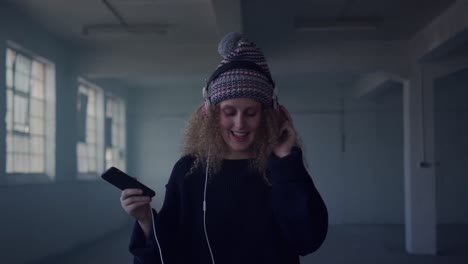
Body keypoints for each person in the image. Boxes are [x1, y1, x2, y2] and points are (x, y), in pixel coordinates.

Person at [120, 32, 328, 264]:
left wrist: (286, 164)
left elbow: (307, 241)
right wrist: (146, 220)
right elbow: (168, 252)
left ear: (268, 115)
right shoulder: (189, 170)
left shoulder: (282, 167)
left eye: (251, 113)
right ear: (209, 114)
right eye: (229, 112)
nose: (240, 124)